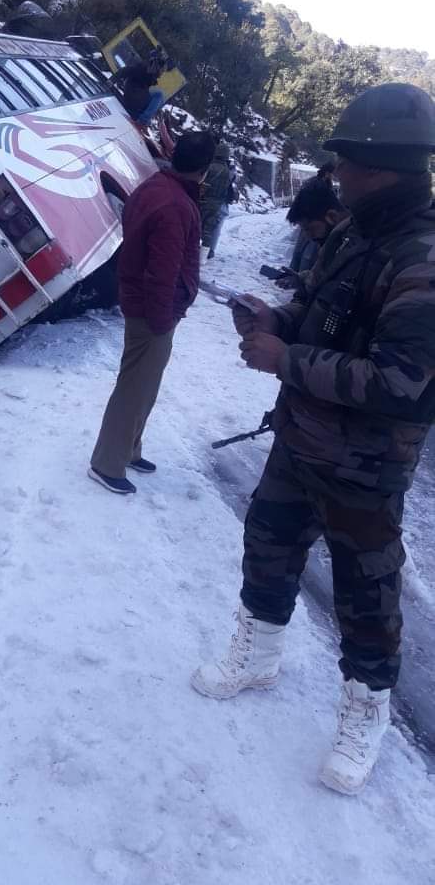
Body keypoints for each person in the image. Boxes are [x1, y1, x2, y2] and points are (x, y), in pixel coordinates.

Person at [190, 82, 435, 796]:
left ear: (381, 166)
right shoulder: (357, 232)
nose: (337, 174)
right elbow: (319, 304)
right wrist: (278, 316)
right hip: (299, 438)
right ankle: (258, 654)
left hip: (365, 466)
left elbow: (398, 383)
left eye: (346, 162)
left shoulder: (422, 259)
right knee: (268, 543)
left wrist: (284, 359)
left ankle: (367, 712)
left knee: (366, 594)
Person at [88, 131, 215, 495]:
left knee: (145, 383)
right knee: (134, 386)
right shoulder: (176, 205)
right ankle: (106, 463)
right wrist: (162, 320)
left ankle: (129, 449)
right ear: (204, 170)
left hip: (144, 304)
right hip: (153, 311)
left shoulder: (155, 186)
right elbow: (162, 271)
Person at [274, 181, 349, 289]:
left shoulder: (352, 246)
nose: (308, 236)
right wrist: (300, 279)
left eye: (310, 229)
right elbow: (320, 276)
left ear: (331, 217)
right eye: (304, 230)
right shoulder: (332, 243)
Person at [200, 142, 236, 261]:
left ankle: (189, 254)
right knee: (209, 232)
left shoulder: (208, 166)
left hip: (203, 201)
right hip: (217, 205)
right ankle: (202, 258)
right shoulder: (229, 172)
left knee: (195, 228)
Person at [114, 61, 164, 126]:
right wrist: (111, 81)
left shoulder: (148, 75)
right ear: (155, 67)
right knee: (159, 95)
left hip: (134, 98)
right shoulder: (138, 69)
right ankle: (143, 120)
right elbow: (123, 71)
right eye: (161, 71)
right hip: (132, 99)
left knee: (159, 98)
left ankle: (142, 116)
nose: (160, 75)